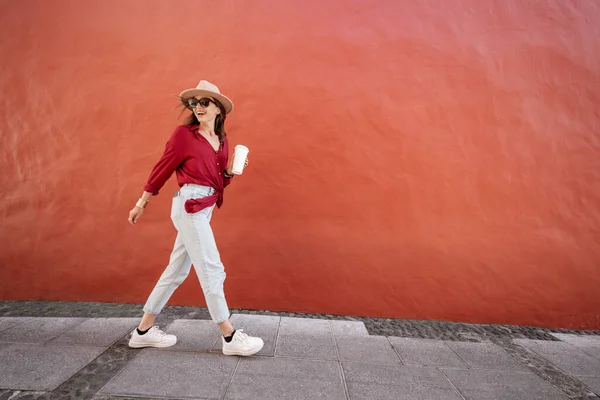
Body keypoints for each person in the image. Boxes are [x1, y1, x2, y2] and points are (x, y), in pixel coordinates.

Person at [126, 80, 264, 356]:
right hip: (189, 206)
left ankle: (143, 331)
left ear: (218, 109)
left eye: (204, 102)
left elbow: (217, 183)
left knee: (176, 271)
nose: (198, 107)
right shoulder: (184, 135)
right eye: (194, 103)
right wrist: (142, 202)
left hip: (204, 207)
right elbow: (162, 168)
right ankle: (230, 336)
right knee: (212, 268)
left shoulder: (222, 141)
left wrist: (230, 173)